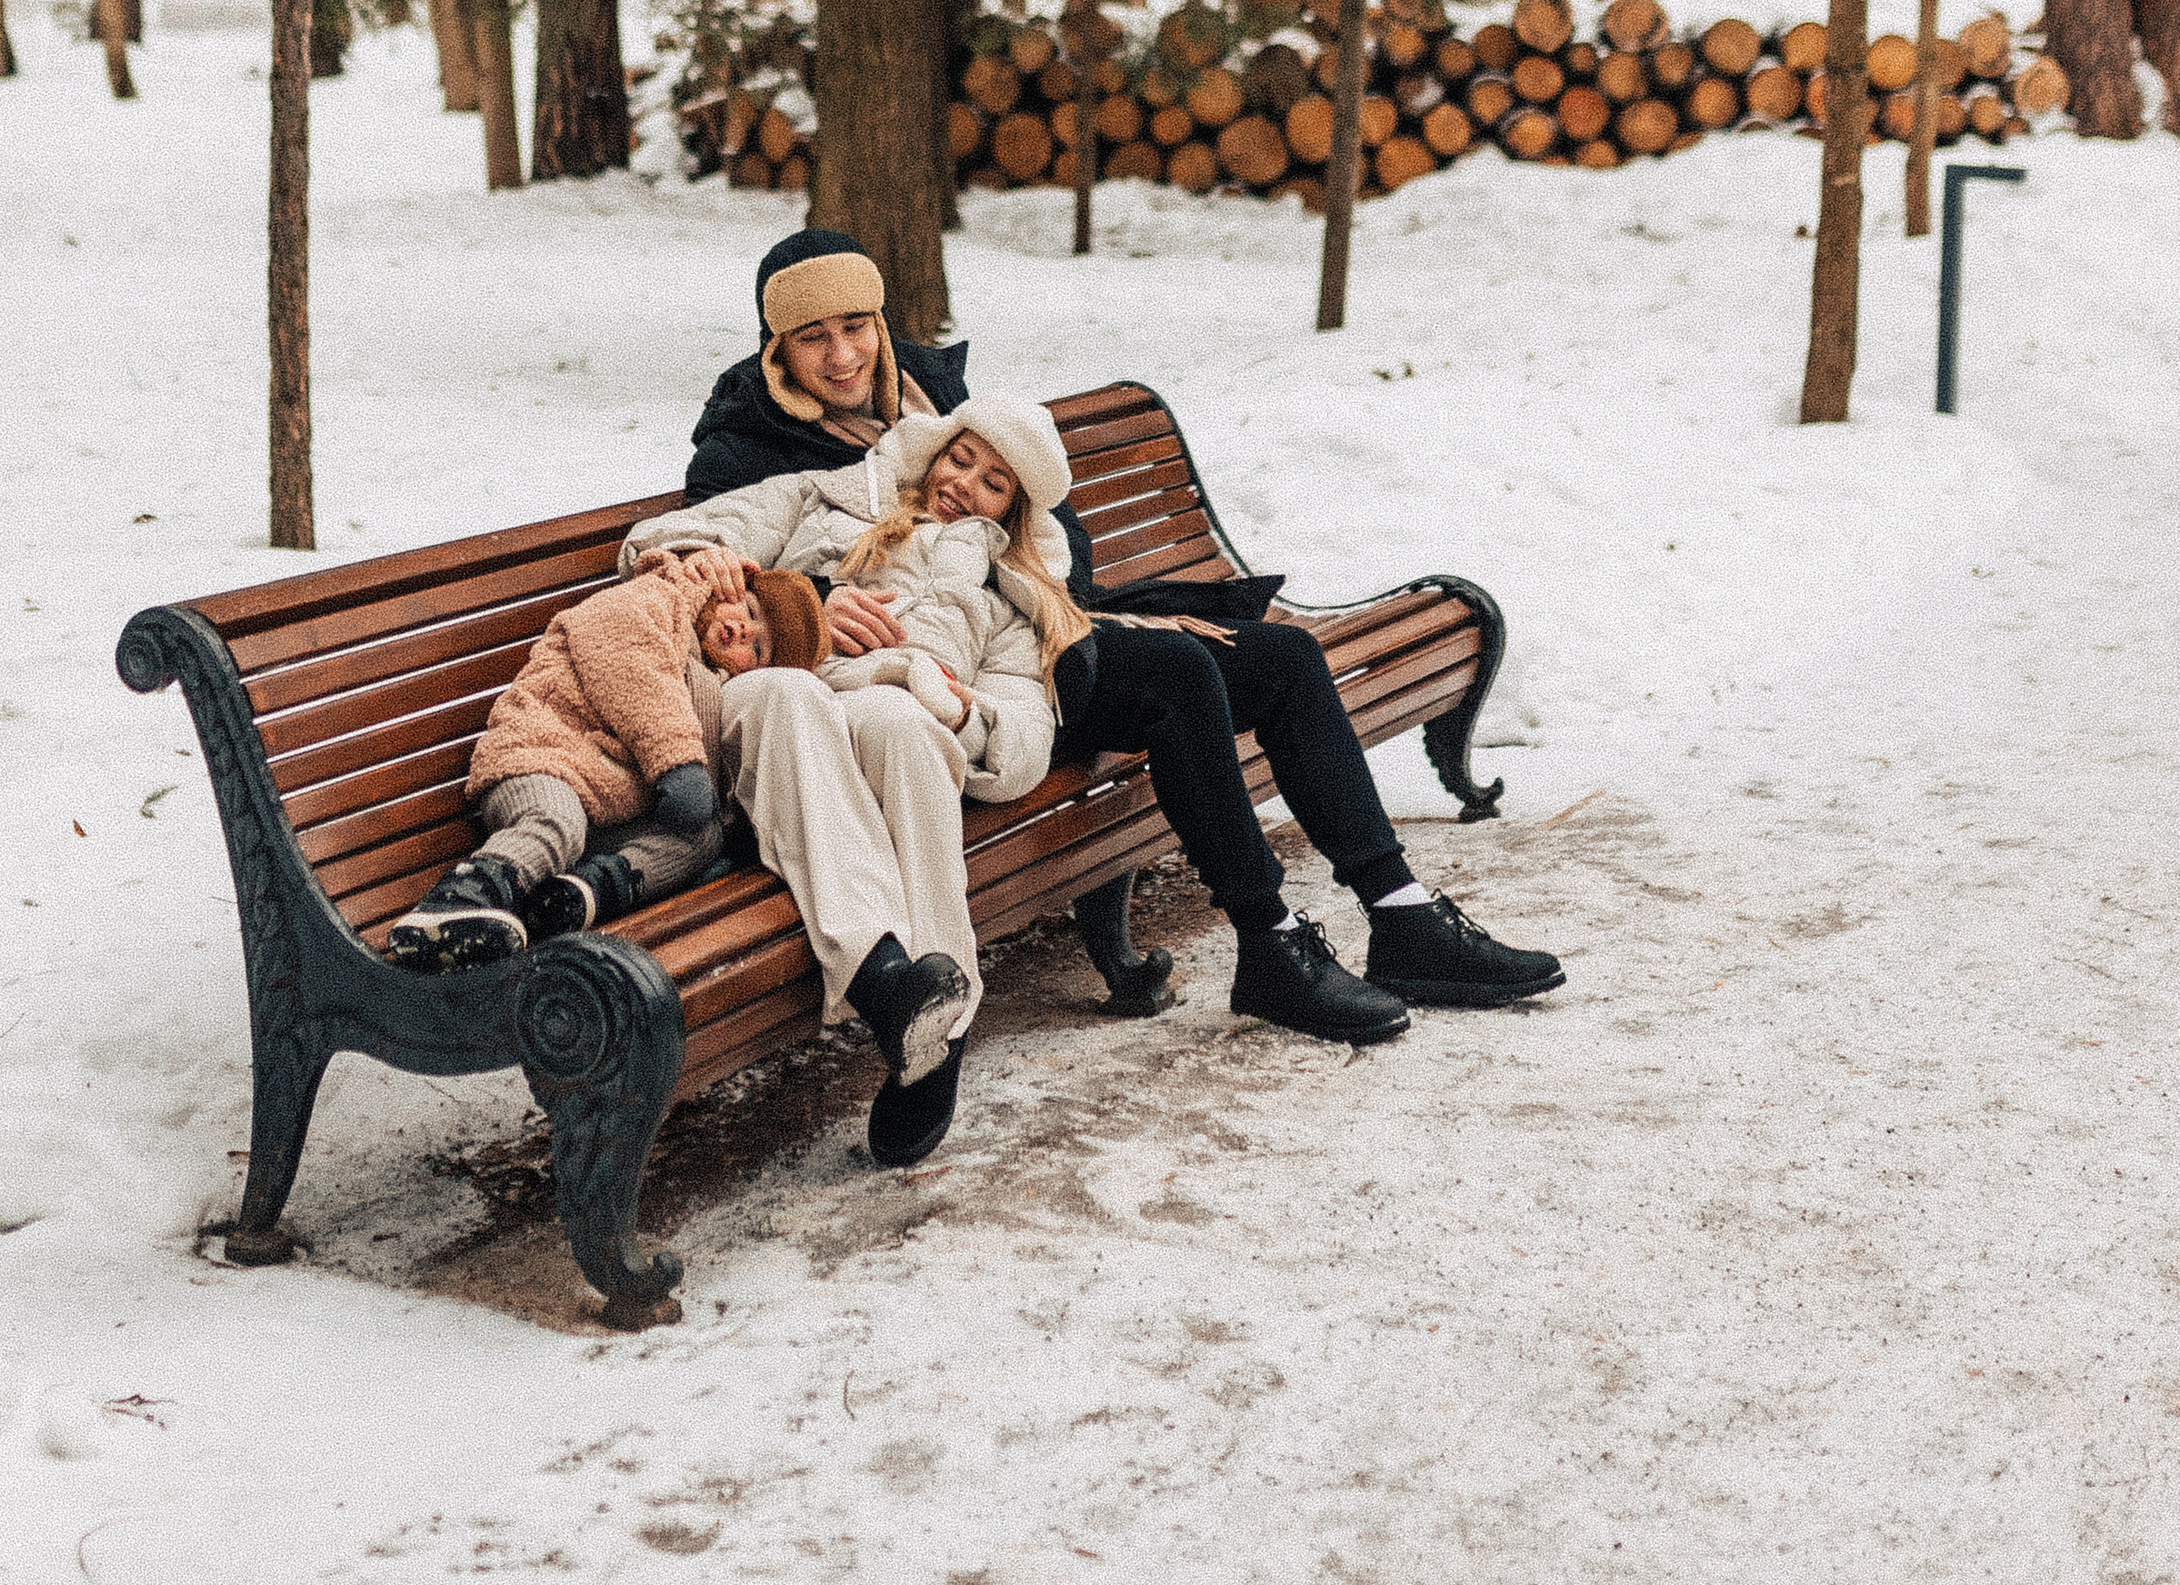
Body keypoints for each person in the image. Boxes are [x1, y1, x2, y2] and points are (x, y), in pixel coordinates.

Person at [685, 228, 1565, 1046]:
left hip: (1034, 626)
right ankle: (1270, 941)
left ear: (879, 322)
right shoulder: (746, 448)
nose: (841, 355)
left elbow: (1049, 516)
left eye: (854, 327)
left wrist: (1070, 594)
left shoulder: (928, 392)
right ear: (776, 347)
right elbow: (725, 578)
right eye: (811, 337)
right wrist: (809, 598)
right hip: (954, 686)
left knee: (1285, 657)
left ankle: (1401, 911)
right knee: (1178, 674)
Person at [625, 394, 1090, 1171]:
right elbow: (665, 541)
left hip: (884, 742)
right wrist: (800, 598)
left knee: (900, 718)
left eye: (994, 483)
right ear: (935, 450)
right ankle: (888, 991)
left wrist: (963, 711)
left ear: (1013, 514)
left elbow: (1023, 746)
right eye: (960, 457)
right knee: (791, 692)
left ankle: (930, 1032)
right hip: (763, 725)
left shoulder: (1009, 605)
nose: (964, 483)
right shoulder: (830, 498)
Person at [385, 548, 830, 968]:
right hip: (542, 753)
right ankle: (460, 900)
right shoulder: (660, 597)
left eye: (757, 650)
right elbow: (632, 665)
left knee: (699, 837)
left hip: (605, 805)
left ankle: (581, 894)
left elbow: (704, 786)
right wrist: (679, 764)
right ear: (732, 584)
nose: (745, 631)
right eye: (750, 611)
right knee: (554, 822)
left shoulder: (711, 684)